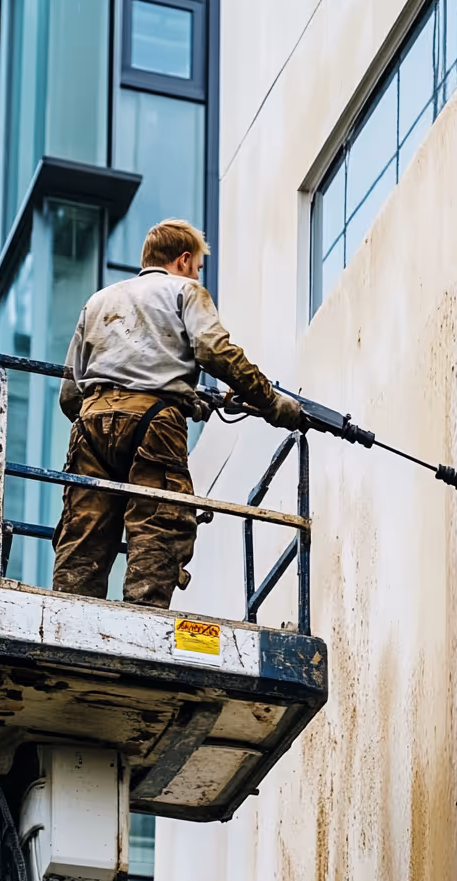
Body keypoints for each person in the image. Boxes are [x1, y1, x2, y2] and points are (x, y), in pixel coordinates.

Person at [51, 218, 301, 608]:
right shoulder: (185, 290)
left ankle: (67, 613)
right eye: (198, 265)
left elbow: (70, 393)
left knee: (85, 529)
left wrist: (179, 399)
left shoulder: (99, 301)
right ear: (184, 260)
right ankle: (143, 618)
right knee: (158, 523)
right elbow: (214, 352)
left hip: (90, 423)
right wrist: (271, 402)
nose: (198, 271)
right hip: (154, 425)